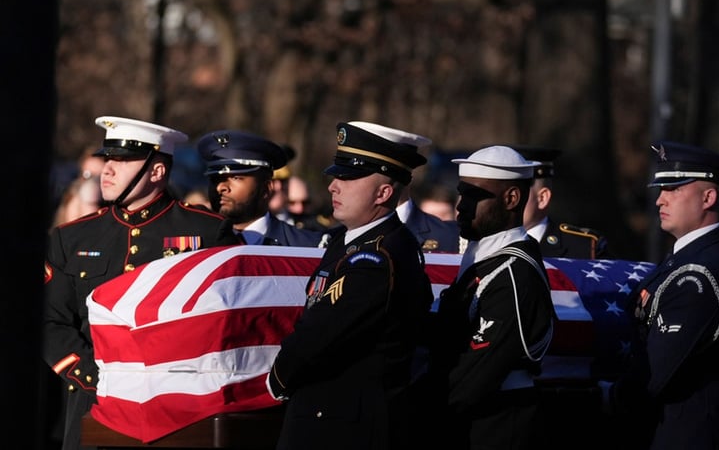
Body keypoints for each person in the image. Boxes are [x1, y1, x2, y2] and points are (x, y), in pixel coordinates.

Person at [42, 116, 242, 450]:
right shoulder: (72, 237)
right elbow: (51, 321)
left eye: (121, 161)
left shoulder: (207, 231)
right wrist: (95, 376)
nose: (108, 169)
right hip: (94, 404)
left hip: (174, 409)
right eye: (107, 158)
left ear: (157, 171)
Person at [266, 121, 434, 450]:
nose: (332, 186)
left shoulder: (377, 258)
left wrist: (278, 377)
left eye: (348, 178)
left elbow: (321, 335)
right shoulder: (352, 242)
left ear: (384, 193)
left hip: (344, 427)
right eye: (335, 175)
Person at [599, 141, 719, 450]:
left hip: (688, 432)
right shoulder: (693, 259)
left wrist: (604, 397)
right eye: (661, 189)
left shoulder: (699, 272)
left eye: (674, 189)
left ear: (708, 197)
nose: (659, 200)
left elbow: (657, 371)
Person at [420, 145, 555, 450]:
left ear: (511, 199)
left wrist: (418, 410)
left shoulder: (514, 272)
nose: (461, 206)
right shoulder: (484, 259)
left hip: (497, 423)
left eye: (474, 196)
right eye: (461, 194)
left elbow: (478, 373)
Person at [197, 129, 327, 247]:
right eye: (215, 179)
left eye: (236, 178)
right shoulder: (195, 244)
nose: (220, 187)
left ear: (266, 188)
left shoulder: (305, 246)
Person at [513, 146, 609, 258]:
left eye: (515, 195)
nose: (507, 202)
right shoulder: (489, 244)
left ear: (542, 198)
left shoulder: (584, 249)